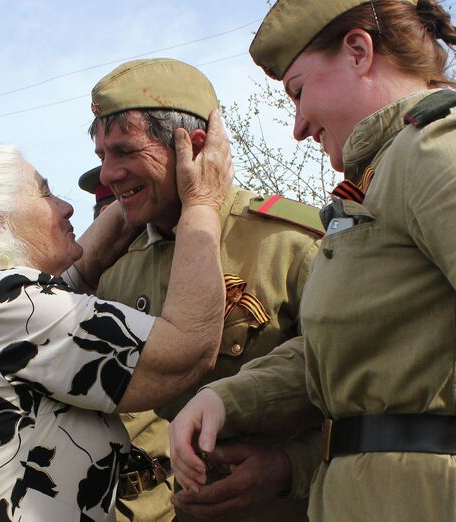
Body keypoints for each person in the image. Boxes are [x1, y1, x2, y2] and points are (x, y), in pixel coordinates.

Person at [169, 1, 456, 521]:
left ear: (358, 51)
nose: (298, 126)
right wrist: (229, 400)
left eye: (299, 92)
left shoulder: (438, 152)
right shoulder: (378, 182)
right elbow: (345, 355)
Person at [0, 132, 231, 521]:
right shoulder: (6, 300)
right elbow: (185, 349)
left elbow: (79, 274)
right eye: (45, 193)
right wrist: (202, 201)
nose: (65, 207)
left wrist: (138, 195)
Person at [89, 58, 323, 522]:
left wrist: (287, 467)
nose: (107, 175)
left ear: (193, 147)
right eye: (102, 157)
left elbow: (362, 388)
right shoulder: (115, 269)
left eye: (124, 152)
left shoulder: (289, 244)